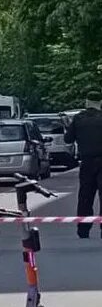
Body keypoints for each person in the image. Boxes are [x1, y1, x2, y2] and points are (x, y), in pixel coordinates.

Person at [65, 91, 102, 238]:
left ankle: (83, 229)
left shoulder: (78, 118)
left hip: (86, 162)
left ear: (87, 102)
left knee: (85, 196)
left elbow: (68, 139)